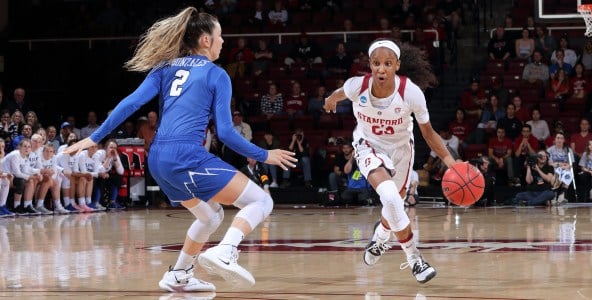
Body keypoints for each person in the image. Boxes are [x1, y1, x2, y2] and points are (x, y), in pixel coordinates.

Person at [62, 8, 296, 293]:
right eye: (220, 35)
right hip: (187, 156)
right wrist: (264, 154)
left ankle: (180, 273)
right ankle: (226, 250)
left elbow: (131, 102)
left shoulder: (164, 67)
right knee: (261, 202)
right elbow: (224, 132)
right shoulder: (216, 74)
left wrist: (95, 137)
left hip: (158, 159)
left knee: (210, 216)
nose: (223, 41)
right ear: (205, 40)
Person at [323, 39, 457, 284]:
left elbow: (428, 133)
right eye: (376, 63)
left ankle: (381, 237)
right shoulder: (357, 86)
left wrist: (452, 163)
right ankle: (415, 258)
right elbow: (340, 93)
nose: (381, 69)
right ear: (370, 65)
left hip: (402, 150)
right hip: (368, 146)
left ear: (397, 65)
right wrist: (331, 100)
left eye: (387, 64)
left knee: (393, 205)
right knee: (390, 197)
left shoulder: (410, 92)